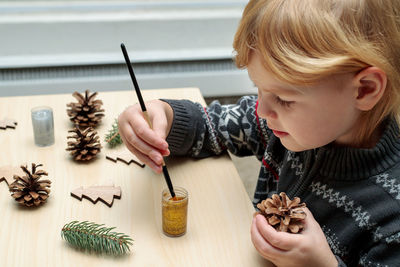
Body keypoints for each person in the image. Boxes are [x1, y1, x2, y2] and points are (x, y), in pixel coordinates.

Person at [118, 0, 400, 266]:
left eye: (284, 98)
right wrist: (165, 118)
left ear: (365, 89)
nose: (262, 110)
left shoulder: (392, 223)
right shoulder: (287, 127)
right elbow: (212, 126)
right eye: (259, 89)